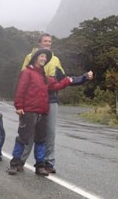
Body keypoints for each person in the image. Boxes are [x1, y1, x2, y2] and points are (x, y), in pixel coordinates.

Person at [18, 33, 93, 173]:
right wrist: (20, 105)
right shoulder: (30, 57)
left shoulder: (55, 60)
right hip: (32, 101)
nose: (47, 43)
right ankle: (19, 161)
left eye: (49, 41)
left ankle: (47, 163)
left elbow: (63, 80)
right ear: (39, 43)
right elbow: (23, 80)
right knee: (28, 133)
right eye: (45, 41)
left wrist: (84, 78)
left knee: (49, 133)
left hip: (50, 100)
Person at [8, 48, 77, 176]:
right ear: (35, 58)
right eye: (42, 56)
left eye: (45, 57)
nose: (44, 59)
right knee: (23, 138)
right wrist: (18, 106)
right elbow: (20, 89)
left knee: (40, 140)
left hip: (43, 112)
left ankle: (40, 166)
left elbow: (55, 86)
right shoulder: (27, 72)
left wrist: (67, 81)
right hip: (29, 111)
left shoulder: (44, 77)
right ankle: (14, 163)